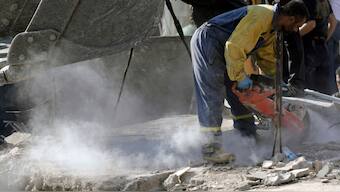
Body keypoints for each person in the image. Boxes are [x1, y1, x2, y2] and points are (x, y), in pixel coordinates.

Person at [191, 0, 308, 163]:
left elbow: (266, 56)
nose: (296, 30)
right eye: (297, 25)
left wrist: (276, 81)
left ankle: (248, 137)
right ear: (291, 18)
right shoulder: (262, 15)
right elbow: (234, 47)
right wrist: (240, 78)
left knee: (240, 95)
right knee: (213, 94)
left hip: (225, 50)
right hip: (208, 41)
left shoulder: (272, 27)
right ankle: (210, 149)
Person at [300, 0, 337, 95]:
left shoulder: (308, 2)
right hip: (322, 48)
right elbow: (333, 22)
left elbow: (311, 24)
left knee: (309, 90)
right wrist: (325, 39)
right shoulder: (324, 2)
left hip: (309, 48)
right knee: (324, 90)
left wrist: (293, 36)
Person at [328, 0, 340, 95]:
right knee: (333, 63)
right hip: (336, 22)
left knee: (330, 63)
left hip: (334, 23)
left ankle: (331, 91)